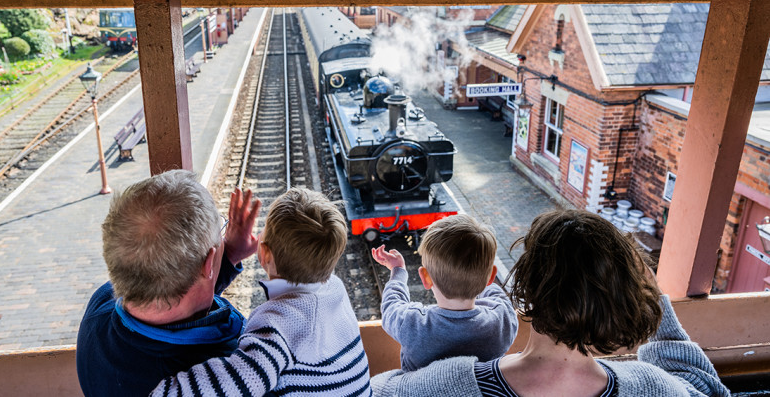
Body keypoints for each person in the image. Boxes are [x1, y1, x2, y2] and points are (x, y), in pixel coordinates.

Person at [371, 209, 731, 397]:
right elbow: (702, 385)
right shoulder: (652, 388)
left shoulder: (438, 386)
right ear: (628, 296)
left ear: (526, 287)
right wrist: (656, 299)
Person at [152, 187, 372, 397]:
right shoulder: (335, 288)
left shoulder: (279, 325)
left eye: (263, 230)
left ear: (264, 254)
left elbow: (241, 380)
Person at [76, 170, 261, 397]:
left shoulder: (100, 310)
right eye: (220, 231)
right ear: (209, 262)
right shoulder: (230, 374)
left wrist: (228, 255)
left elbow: (168, 280)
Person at [371, 214, 518, 372]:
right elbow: (498, 296)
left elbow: (391, 305)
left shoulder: (412, 323)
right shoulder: (502, 320)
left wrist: (398, 271)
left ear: (425, 278)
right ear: (490, 277)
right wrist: (480, 275)